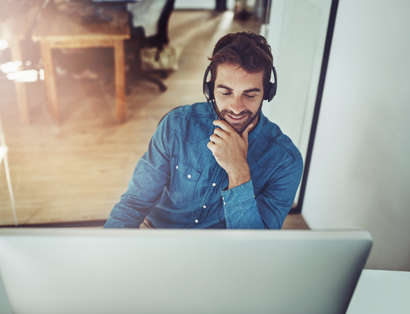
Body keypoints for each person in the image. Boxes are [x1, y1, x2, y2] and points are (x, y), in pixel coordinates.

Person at [104, 32, 303, 229]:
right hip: (159, 236)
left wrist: (239, 173)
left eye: (250, 95)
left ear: (267, 93)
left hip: (223, 253)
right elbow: (133, 204)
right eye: (225, 92)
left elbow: (256, 247)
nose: (236, 107)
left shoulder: (285, 161)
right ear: (210, 89)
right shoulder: (177, 126)